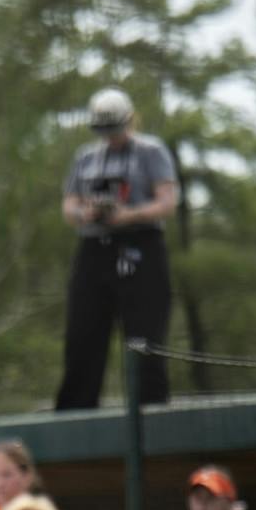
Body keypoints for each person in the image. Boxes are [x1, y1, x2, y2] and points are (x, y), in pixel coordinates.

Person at [54, 87, 178, 411]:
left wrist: (129, 215)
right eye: (104, 131)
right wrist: (88, 213)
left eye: (116, 129)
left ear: (130, 120)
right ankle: (76, 414)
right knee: (83, 334)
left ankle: (150, 411)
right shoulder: (85, 156)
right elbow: (69, 206)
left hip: (141, 246)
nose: (111, 137)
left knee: (143, 338)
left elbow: (167, 201)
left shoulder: (151, 151)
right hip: (95, 246)